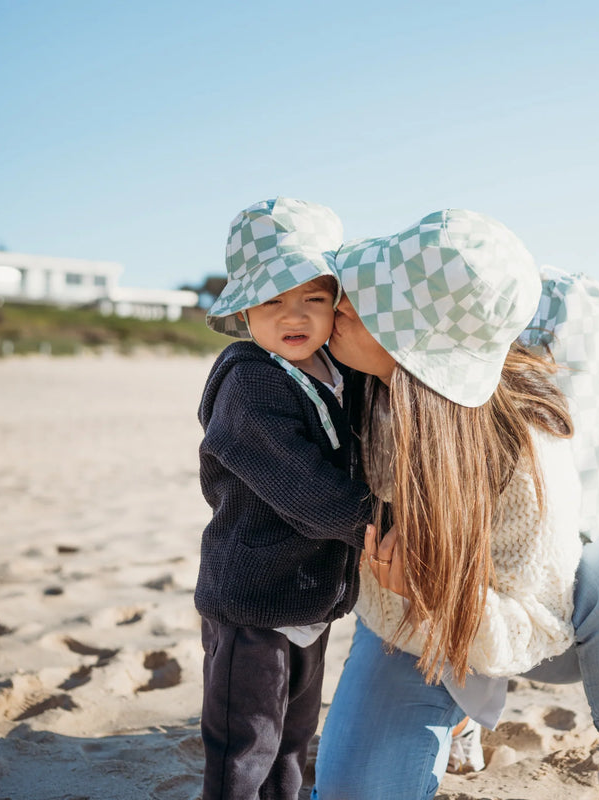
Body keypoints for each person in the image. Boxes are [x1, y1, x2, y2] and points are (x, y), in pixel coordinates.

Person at [311, 209, 599, 800]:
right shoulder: (343, 383)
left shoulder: (523, 441)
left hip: (536, 623)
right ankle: (457, 716)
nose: (344, 303)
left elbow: (533, 619)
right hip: (406, 626)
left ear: (419, 340)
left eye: (372, 300)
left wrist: (433, 588)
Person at [195, 197, 377, 800]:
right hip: (252, 593)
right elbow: (301, 483)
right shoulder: (250, 381)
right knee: (246, 739)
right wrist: (376, 525)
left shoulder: (337, 368)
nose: (292, 315)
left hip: (311, 589)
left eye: (313, 298)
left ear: (336, 305)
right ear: (244, 309)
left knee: (296, 730)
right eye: (272, 299)